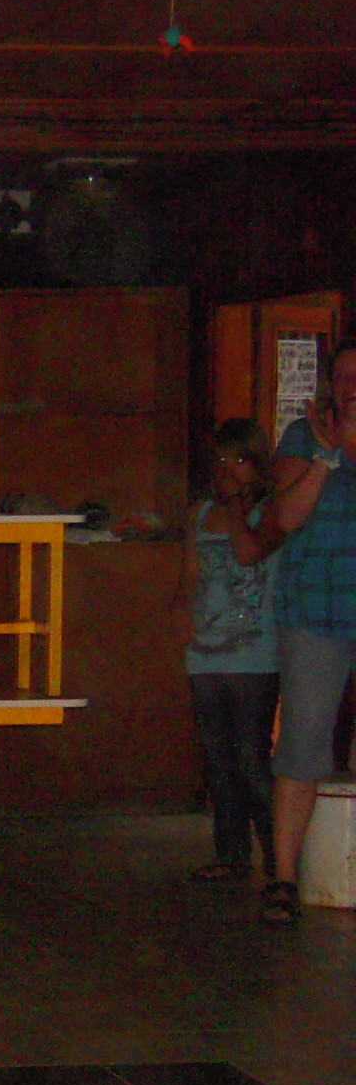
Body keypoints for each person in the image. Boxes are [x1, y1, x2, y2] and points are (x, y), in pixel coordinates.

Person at [263, 339, 356, 925]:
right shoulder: (303, 437)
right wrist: (326, 457)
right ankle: (283, 879)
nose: (352, 385)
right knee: (301, 745)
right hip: (316, 613)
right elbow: (286, 516)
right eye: (343, 376)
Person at [180, 420, 283, 883]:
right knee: (218, 758)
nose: (229, 470)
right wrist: (181, 615)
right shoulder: (201, 514)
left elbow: (246, 553)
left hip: (254, 656)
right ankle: (231, 853)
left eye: (240, 460)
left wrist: (238, 509)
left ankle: (279, 857)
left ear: (258, 464)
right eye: (222, 460)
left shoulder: (272, 512)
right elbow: (189, 577)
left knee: (252, 758)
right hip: (206, 653)